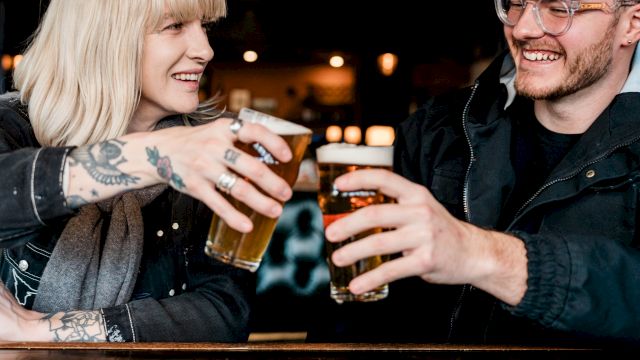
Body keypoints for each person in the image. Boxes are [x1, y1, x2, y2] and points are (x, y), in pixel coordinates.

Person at [308, 0, 640, 346]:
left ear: (631, 23)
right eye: (515, 4)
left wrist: (482, 254)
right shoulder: (438, 127)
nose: (523, 28)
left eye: (558, 8)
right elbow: (354, 309)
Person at [0, 0, 294, 342]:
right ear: (105, 37)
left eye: (205, 27)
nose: (205, 50)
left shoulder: (208, 150)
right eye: (174, 26)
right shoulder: (14, 124)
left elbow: (224, 310)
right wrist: (155, 156)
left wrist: (35, 331)